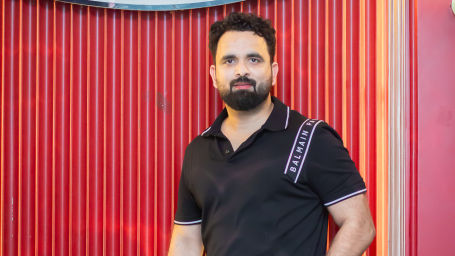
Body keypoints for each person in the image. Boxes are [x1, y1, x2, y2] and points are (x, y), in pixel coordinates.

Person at [168, 12, 375, 256]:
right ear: (214, 75)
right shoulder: (198, 151)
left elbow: (360, 225)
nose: (241, 70)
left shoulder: (311, 139)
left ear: (273, 71)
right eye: (229, 61)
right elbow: (186, 240)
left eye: (254, 60)